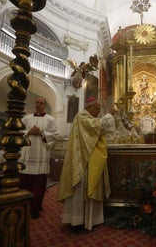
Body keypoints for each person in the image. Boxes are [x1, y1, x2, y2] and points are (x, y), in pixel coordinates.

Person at [56, 97, 115, 231]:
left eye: (100, 109)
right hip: (82, 162)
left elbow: (101, 129)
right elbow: (101, 125)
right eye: (97, 108)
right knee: (82, 188)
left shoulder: (87, 117)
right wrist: (110, 114)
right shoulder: (82, 116)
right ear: (89, 107)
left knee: (89, 187)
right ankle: (78, 220)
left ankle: (90, 219)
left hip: (89, 159)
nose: (99, 112)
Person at [19, 96, 60, 219]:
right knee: (24, 184)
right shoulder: (26, 119)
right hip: (27, 155)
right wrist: (28, 132)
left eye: (41, 103)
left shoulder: (50, 119)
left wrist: (42, 133)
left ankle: (35, 208)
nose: (38, 104)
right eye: (36, 102)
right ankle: (23, 207)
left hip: (41, 155)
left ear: (44, 105)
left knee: (39, 185)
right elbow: (17, 133)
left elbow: (56, 135)